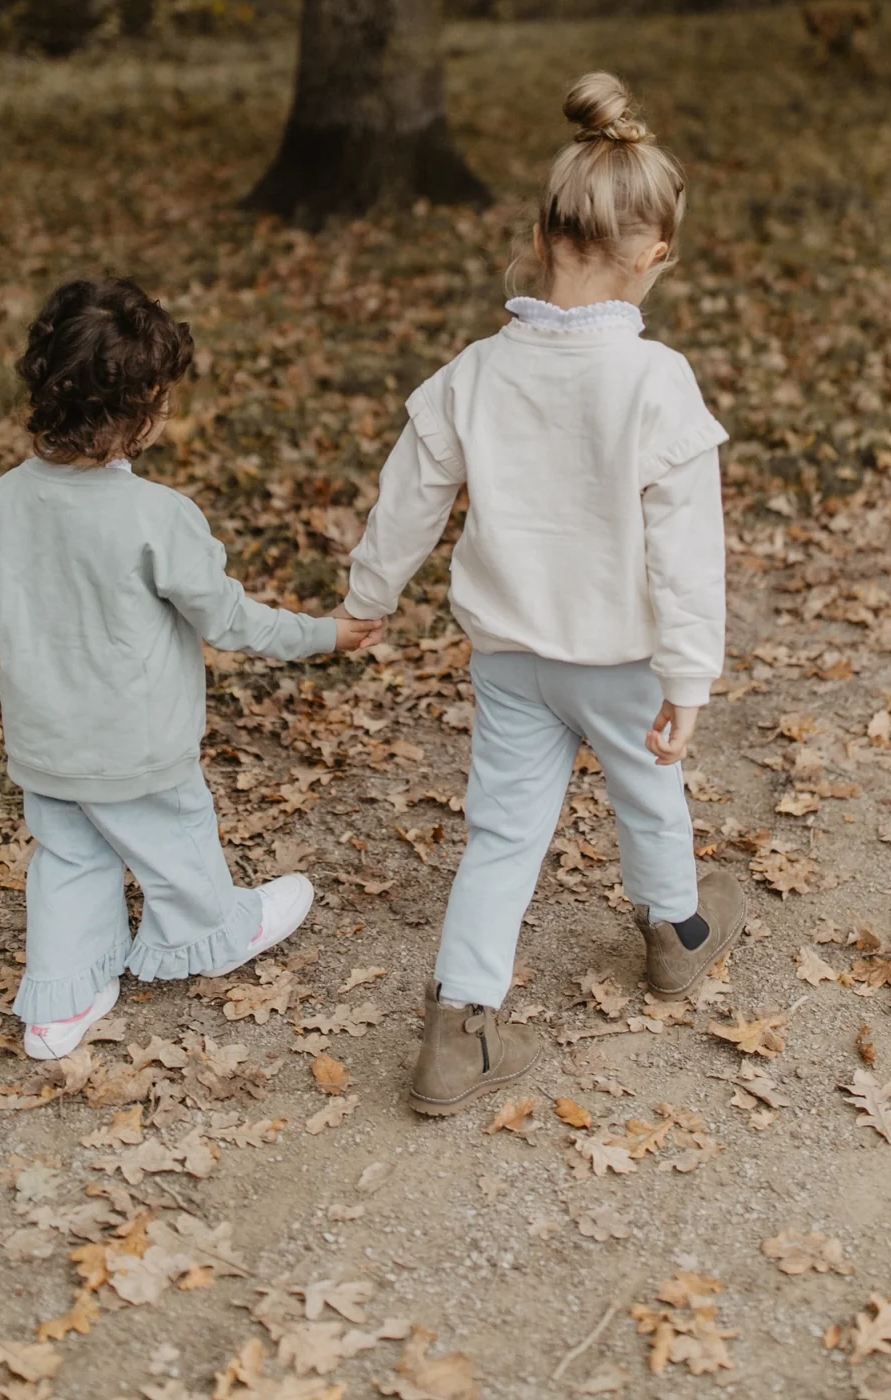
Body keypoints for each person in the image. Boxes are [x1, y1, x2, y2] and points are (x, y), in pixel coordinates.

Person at [339, 73, 746, 1116]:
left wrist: (369, 593)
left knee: (503, 832)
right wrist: (688, 675)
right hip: (615, 657)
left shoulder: (473, 371)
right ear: (656, 251)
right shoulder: (656, 383)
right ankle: (674, 937)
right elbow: (684, 546)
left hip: (511, 657)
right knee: (647, 790)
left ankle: (458, 1030)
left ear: (537, 232)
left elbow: (407, 497)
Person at [0, 278, 381, 1061]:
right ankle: (210, 927)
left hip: (44, 744)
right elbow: (228, 621)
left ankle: (61, 1000)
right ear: (146, 409)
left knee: (68, 859)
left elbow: (0, 618)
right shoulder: (157, 517)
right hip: (141, 745)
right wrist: (322, 634)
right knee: (176, 840)